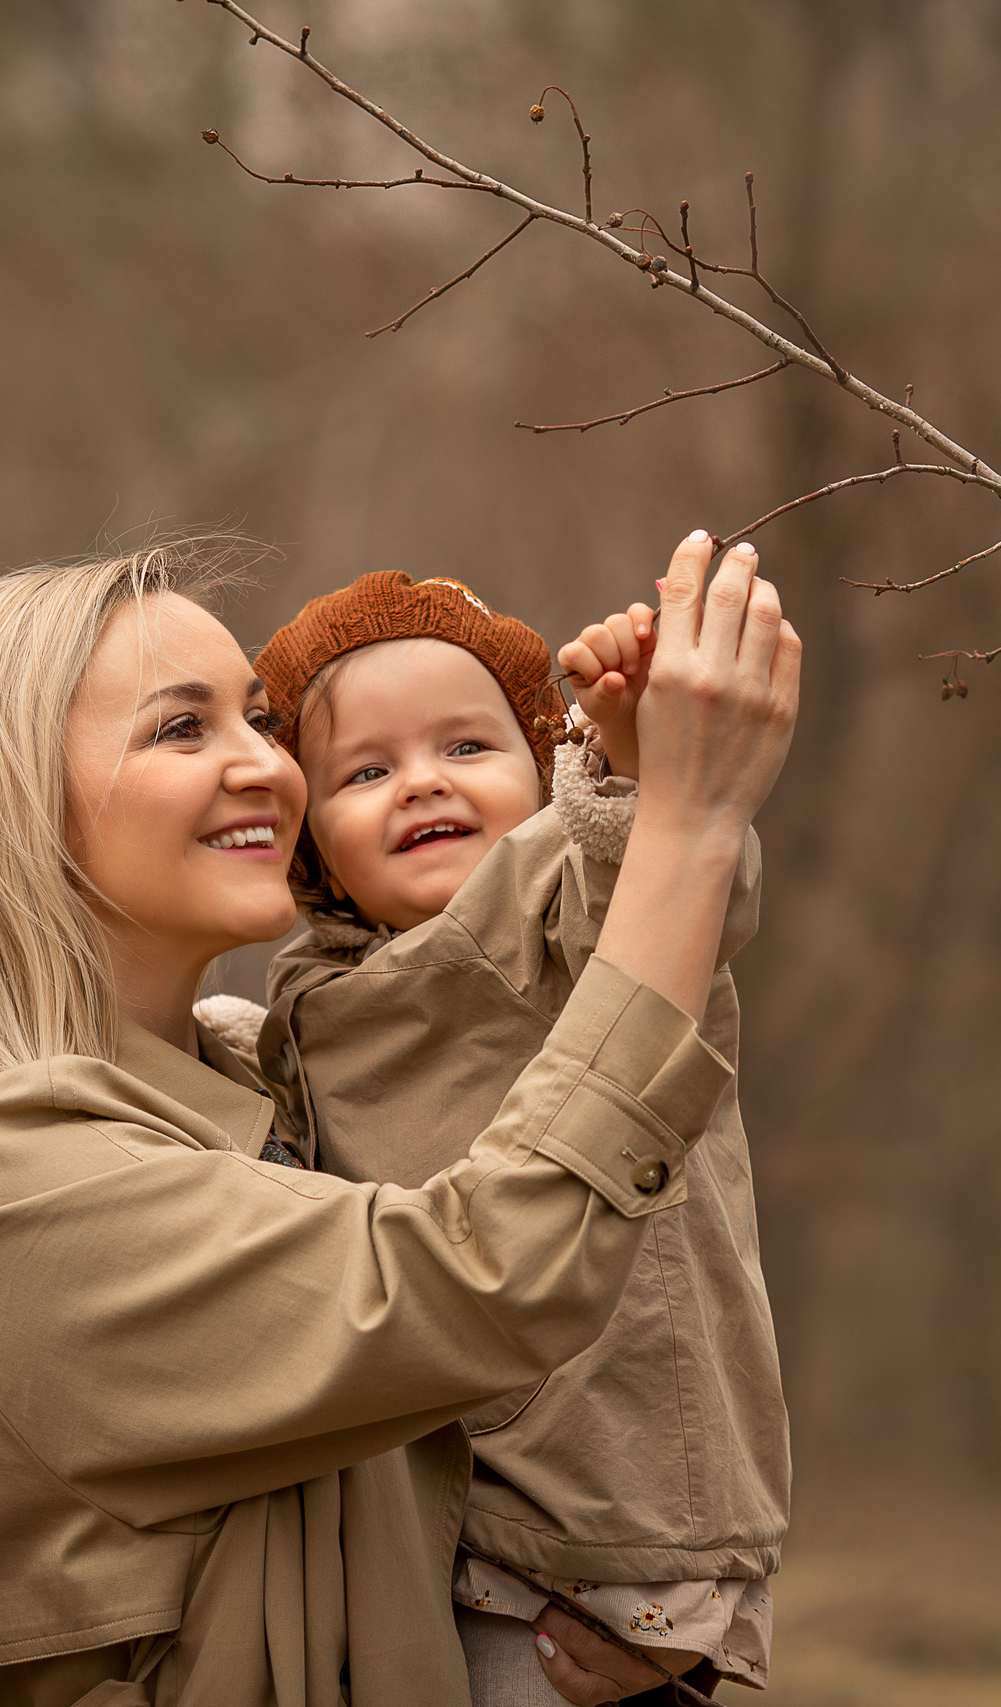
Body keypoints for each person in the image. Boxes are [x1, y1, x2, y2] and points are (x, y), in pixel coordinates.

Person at [0, 532, 799, 1707]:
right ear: (6, 808)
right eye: (182, 728)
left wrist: (620, 1611)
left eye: (258, 718)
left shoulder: (265, 1073)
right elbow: (475, 1284)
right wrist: (686, 831)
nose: (270, 769)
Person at [242, 536, 786, 1703]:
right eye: (364, 772)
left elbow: (680, 894)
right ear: (310, 847)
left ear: (544, 769)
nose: (423, 782)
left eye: (467, 746)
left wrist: (638, 771)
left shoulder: (552, 895)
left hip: (608, 1519)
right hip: (440, 1512)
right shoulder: (306, 993)